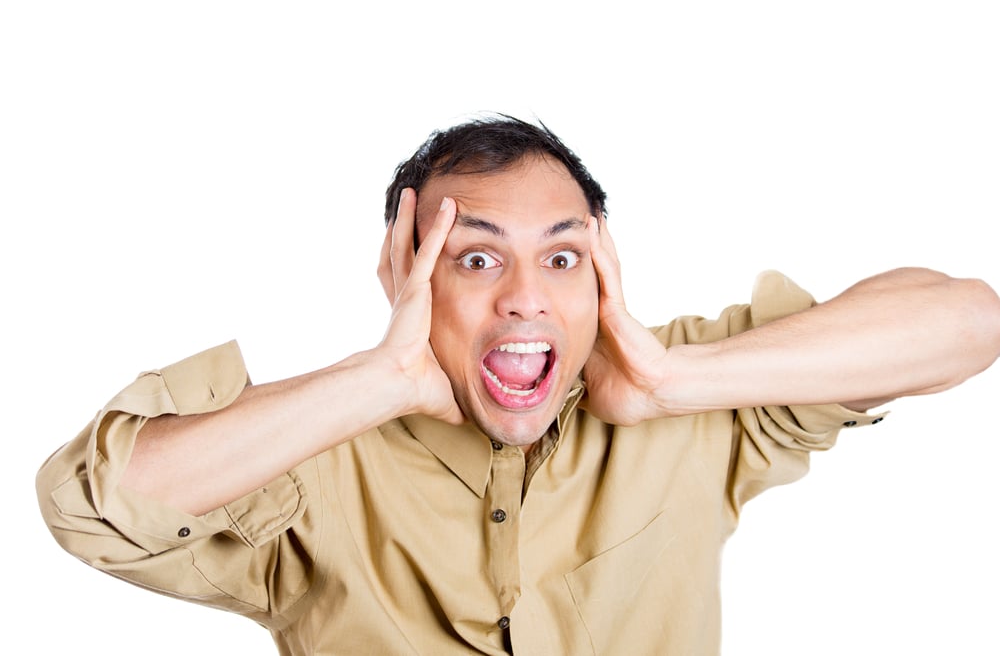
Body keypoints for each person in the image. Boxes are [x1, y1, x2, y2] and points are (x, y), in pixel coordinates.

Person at [36, 115, 1000, 655]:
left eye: (564, 257)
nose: (527, 302)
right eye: (478, 261)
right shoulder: (309, 459)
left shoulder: (692, 404)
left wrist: (669, 380)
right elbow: (95, 506)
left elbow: (968, 322)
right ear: (405, 271)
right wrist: (381, 379)